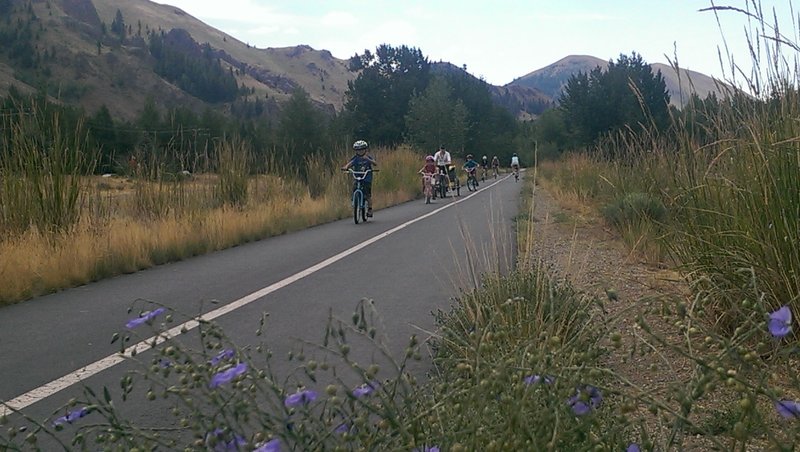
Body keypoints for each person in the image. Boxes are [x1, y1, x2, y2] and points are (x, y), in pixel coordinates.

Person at [342, 140, 377, 217]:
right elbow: (350, 163)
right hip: (358, 176)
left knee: (367, 194)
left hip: (366, 177)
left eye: (361, 150)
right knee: (355, 187)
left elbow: (375, 163)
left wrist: (368, 160)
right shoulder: (356, 158)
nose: (360, 152)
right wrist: (346, 167)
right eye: (358, 150)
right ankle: (355, 200)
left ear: (365, 150)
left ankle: (370, 209)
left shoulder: (368, 157)